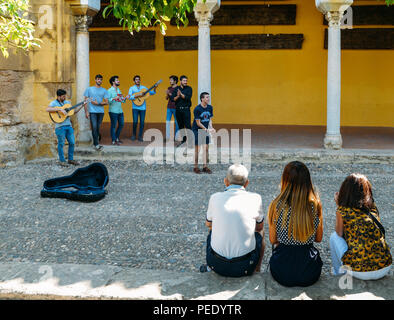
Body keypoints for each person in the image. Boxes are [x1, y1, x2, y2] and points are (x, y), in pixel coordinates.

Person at [201, 164, 265, 277]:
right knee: (261, 232)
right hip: (245, 266)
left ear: (226, 182)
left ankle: (208, 266)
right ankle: (256, 270)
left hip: (216, 265)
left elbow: (208, 224)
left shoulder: (215, 197)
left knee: (212, 228)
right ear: (247, 183)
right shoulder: (255, 198)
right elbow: (259, 227)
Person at [267, 161, 323, 287]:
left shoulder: (276, 205)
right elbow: (318, 239)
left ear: (285, 179)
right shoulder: (315, 205)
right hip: (310, 271)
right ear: (307, 180)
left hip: (282, 272)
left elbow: (272, 239)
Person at [329, 173, 392, 280]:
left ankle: (338, 273)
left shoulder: (343, 211)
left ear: (345, 191)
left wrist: (339, 205)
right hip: (384, 267)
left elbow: (339, 233)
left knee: (334, 237)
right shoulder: (372, 207)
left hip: (360, 272)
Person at [46, 89, 87, 166]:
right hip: (60, 127)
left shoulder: (67, 103)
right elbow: (47, 109)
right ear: (58, 96)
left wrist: (82, 105)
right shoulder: (54, 103)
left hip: (68, 126)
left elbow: (74, 112)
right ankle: (62, 160)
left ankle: (70, 159)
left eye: (65, 96)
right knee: (61, 143)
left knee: (72, 142)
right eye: (63, 96)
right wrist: (60, 109)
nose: (65, 97)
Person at [128, 75, 157, 142]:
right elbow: (129, 97)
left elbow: (152, 93)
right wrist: (138, 95)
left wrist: (155, 88)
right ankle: (134, 135)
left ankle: (140, 136)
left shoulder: (144, 88)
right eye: (136, 79)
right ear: (134, 81)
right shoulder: (131, 88)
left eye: (138, 79)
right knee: (135, 122)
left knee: (142, 122)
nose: (137, 80)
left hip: (143, 108)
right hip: (135, 107)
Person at [84, 74, 109, 151]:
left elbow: (107, 102)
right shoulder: (89, 89)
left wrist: (97, 103)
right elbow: (85, 101)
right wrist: (86, 112)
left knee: (97, 127)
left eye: (101, 79)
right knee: (94, 127)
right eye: (98, 79)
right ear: (95, 80)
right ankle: (96, 144)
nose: (99, 81)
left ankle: (97, 139)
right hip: (92, 112)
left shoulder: (104, 90)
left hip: (101, 112)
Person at [192, 92, 215, 174]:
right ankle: (195, 167)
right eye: (207, 97)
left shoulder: (210, 107)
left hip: (205, 130)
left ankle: (205, 167)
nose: (208, 99)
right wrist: (206, 129)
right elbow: (198, 123)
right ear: (202, 99)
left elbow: (210, 119)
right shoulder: (197, 109)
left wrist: (211, 127)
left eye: (209, 97)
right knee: (197, 149)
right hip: (197, 129)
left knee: (206, 148)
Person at [171, 75, 192, 147]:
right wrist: (177, 96)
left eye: (186, 81)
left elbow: (187, 98)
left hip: (186, 109)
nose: (185, 82)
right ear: (180, 81)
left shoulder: (189, 88)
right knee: (181, 127)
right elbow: (172, 99)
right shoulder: (176, 88)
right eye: (184, 81)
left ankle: (190, 142)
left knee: (188, 126)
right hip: (178, 110)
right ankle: (183, 141)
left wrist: (181, 94)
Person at [108, 75, 128, 145]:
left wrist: (125, 98)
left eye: (118, 80)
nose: (118, 81)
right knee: (113, 126)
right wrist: (114, 98)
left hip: (120, 110)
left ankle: (116, 137)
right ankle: (114, 140)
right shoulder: (109, 90)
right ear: (113, 82)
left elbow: (121, 100)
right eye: (117, 80)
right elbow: (107, 101)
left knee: (121, 124)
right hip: (113, 111)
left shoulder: (119, 90)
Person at [165, 75, 179, 142]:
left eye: (171, 80)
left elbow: (176, 98)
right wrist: (167, 94)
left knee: (177, 122)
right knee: (168, 122)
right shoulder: (169, 88)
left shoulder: (178, 88)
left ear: (175, 81)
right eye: (170, 80)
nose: (170, 81)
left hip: (176, 107)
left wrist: (169, 93)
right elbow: (166, 98)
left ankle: (176, 137)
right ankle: (168, 137)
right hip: (169, 107)